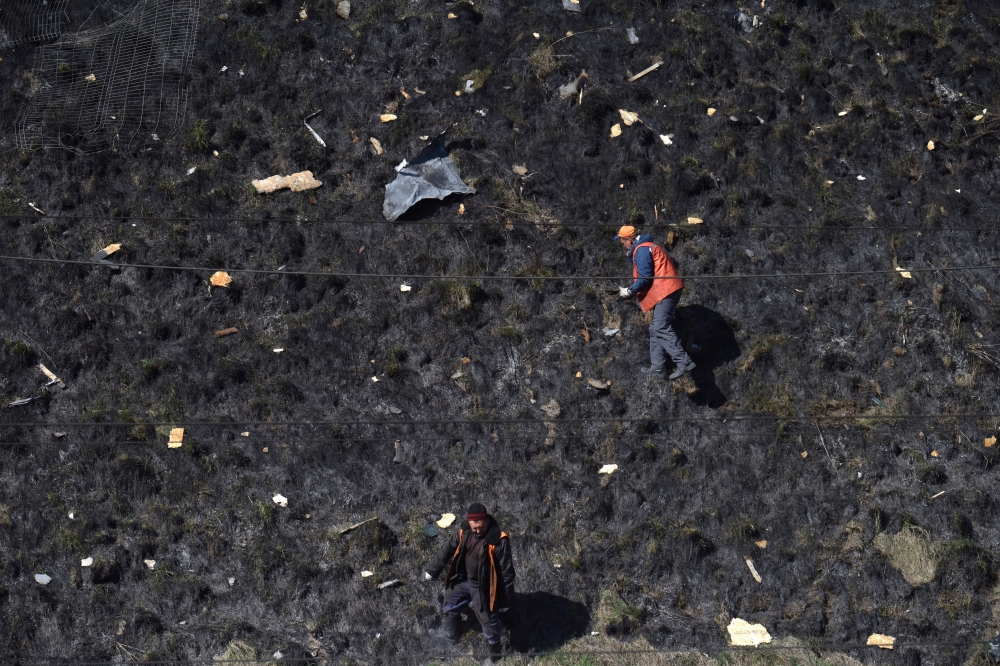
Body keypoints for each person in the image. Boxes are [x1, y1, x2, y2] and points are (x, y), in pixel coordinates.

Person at [424, 503, 515, 664]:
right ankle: (450, 636)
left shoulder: (498, 540)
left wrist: (504, 601)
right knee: (451, 598)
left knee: (488, 618)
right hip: (464, 579)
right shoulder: (464, 531)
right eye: (475, 528)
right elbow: (447, 548)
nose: (478, 531)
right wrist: (432, 570)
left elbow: (506, 573)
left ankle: (495, 655)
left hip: (483, 587)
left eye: (481, 527)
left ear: (486, 520)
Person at [615, 225, 696, 379]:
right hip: (668, 290)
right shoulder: (645, 247)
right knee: (655, 328)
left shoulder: (641, 249)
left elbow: (645, 276)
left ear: (630, 240)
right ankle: (658, 368)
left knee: (660, 326)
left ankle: (683, 361)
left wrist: (630, 291)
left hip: (666, 291)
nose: (623, 245)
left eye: (623, 242)